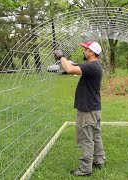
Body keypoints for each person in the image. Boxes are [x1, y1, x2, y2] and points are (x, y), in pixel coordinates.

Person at [54, 40, 106, 176]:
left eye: (86, 49)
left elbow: (71, 69)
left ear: (92, 52)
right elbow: (74, 67)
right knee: (95, 136)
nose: (84, 51)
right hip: (94, 108)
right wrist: (66, 63)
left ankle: (85, 169)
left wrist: (61, 57)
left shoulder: (93, 66)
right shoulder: (94, 66)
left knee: (85, 139)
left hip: (87, 110)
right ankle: (99, 161)